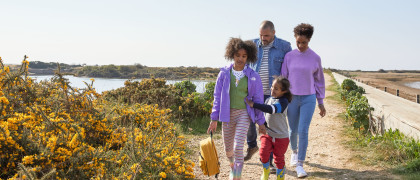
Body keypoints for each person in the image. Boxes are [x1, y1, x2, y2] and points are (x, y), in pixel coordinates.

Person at [207, 38, 266, 180]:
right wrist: (214, 119)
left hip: (244, 114)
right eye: (237, 55)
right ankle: (233, 167)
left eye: (244, 56)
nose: (240, 59)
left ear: (248, 57)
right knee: (228, 151)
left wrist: (261, 122)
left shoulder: (253, 76)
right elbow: (217, 97)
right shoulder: (224, 74)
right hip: (227, 115)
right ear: (232, 55)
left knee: (238, 146)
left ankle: (236, 176)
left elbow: (258, 100)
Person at [281, 23, 326, 178]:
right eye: (298, 42)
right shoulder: (289, 56)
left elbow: (319, 81)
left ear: (309, 40)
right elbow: (283, 78)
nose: (300, 45)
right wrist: (281, 98)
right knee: (292, 130)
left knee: (303, 130)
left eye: (304, 42)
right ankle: (294, 152)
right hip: (292, 98)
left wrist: (320, 102)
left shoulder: (315, 58)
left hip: (309, 98)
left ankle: (300, 164)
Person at [246, 20, 292, 170]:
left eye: (266, 35)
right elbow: (245, 65)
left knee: (270, 127)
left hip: (273, 93)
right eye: (261, 35)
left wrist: (285, 90)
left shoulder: (285, 46)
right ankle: (252, 145)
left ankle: (270, 162)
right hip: (254, 92)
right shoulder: (251, 44)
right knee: (249, 119)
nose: (263, 38)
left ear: (274, 33)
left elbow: (289, 68)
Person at [245, 76, 292, 180]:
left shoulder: (283, 102)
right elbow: (263, 114)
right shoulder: (268, 99)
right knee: (263, 152)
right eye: (272, 87)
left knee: (278, 159)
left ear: (283, 91)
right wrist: (262, 125)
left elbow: (272, 110)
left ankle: (280, 177)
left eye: (276, 88)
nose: (272, 90)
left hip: (281, 137)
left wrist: (254, 104)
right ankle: (266, 171)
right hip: (268, 134)